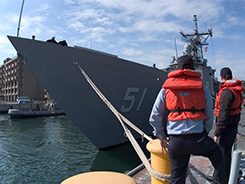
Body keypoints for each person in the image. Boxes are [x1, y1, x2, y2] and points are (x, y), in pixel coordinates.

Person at [149, 55, 225, 184]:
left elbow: (155, 115)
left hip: (175, 141)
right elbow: (209, 115)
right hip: (198, 139)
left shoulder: (166, 89)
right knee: (219, 156)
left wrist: (161, 136)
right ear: (193, 69)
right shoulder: (202, 88)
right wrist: (204, 133)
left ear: (177, 68)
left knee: (177, 176)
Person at [213, 67, 244, 183]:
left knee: (221, 154)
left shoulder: (226, 93)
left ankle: (220, 180)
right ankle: (228, 175)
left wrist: (217, 133)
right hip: (232, 127)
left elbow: (223, 115)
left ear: (222, 77)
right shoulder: (236, 90)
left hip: (225, 129)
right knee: (227, 154)